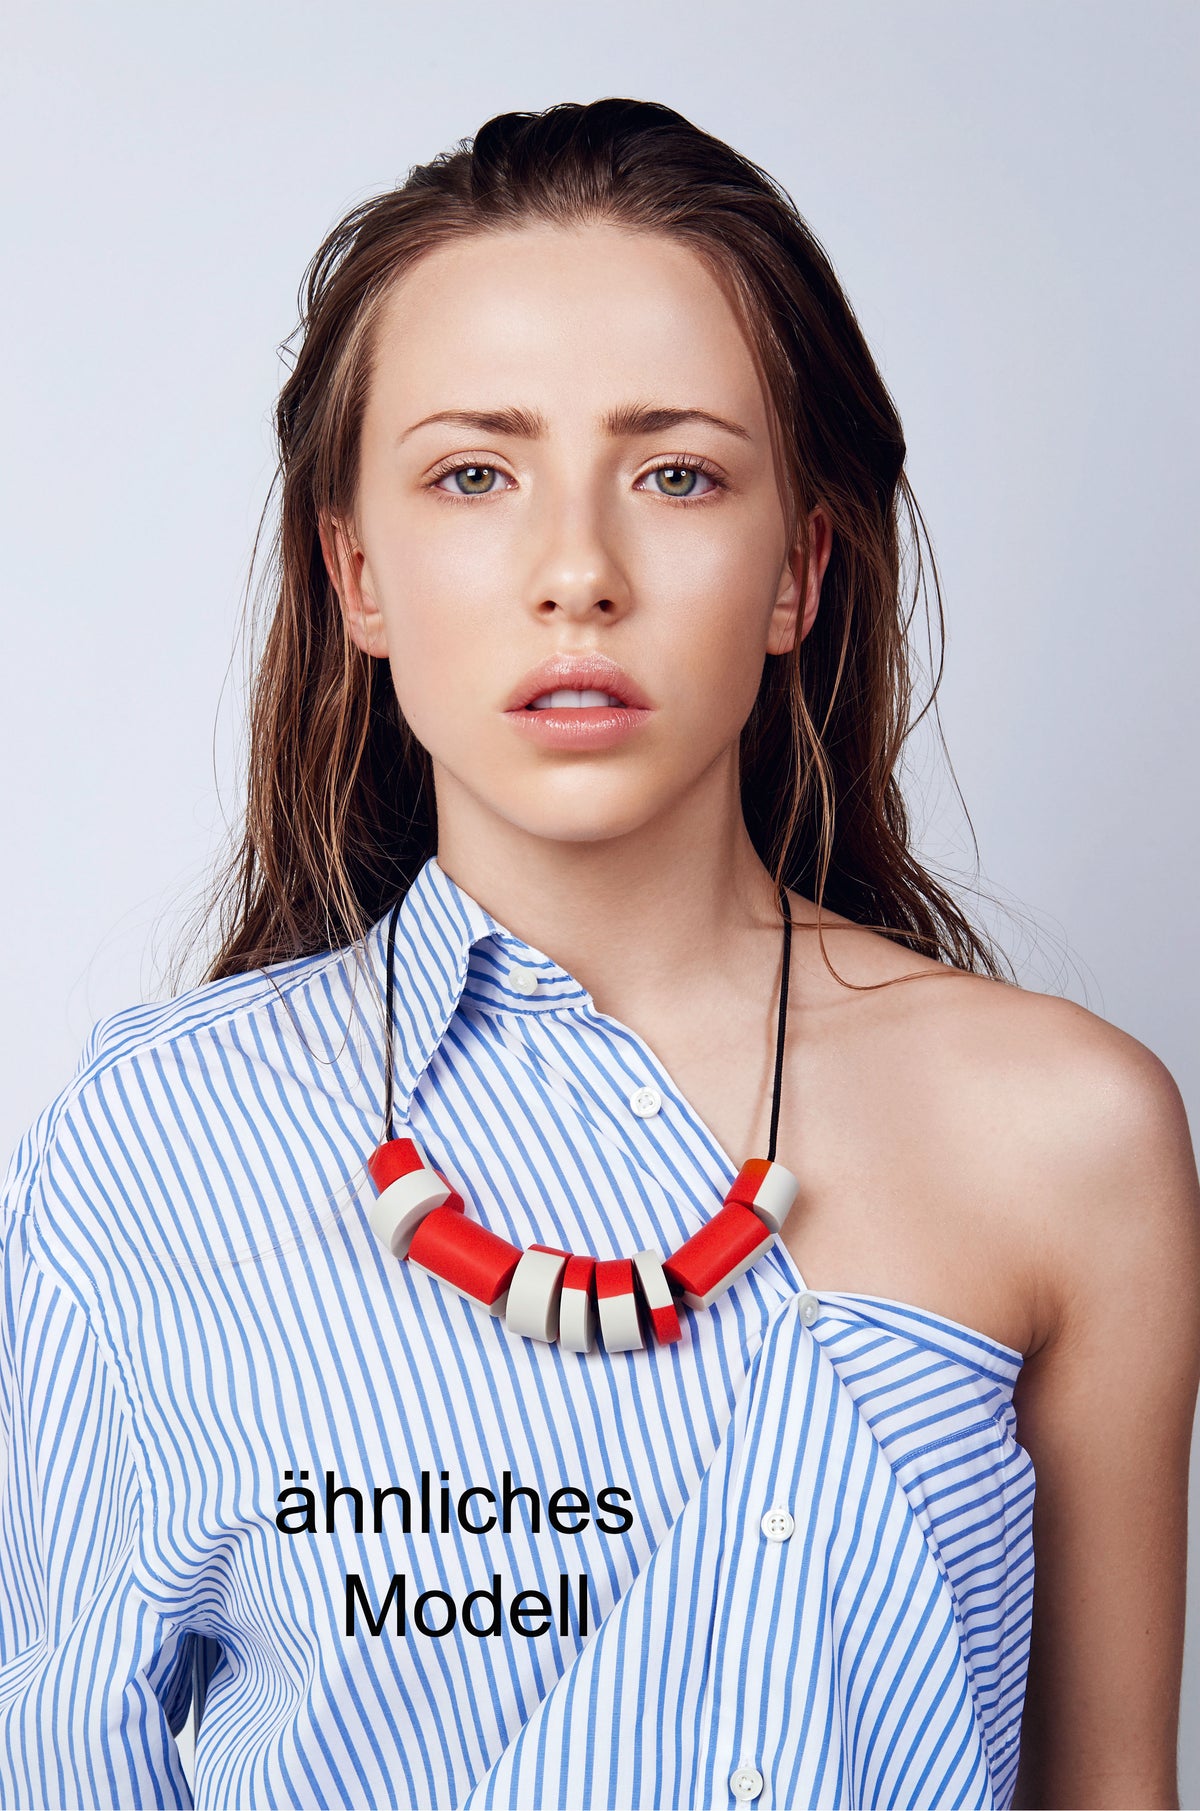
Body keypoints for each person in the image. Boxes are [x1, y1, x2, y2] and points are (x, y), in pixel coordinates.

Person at [1, 97, 1197, 1811]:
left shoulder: (1068, 1133)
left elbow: (1109, 1787)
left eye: (678, 473)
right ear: (357, 575)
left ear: (797, 571)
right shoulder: (154, 1139)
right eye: (474, 475)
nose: (578, 572)